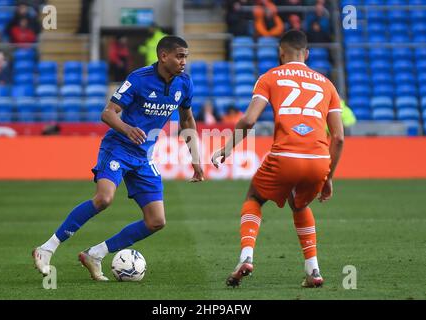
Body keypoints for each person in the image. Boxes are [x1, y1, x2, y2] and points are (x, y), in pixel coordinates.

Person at [33, 36, 204, 281]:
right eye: (179, 56)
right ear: (163, 56)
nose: (184, 61)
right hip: (119, 148)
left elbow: (187, 119)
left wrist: (195, 157)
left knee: (156, 221)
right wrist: (127, 129)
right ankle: (46, 248)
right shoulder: (139, 79)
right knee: (104, 199)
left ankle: (95, 254)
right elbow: (108, 113)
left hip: (144, 156)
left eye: (186, 56)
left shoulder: (184, 84)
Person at [212, 30, 344, 288]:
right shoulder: (327, 83)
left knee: (254, 197)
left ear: (281, 52)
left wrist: (227, 149)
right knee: (300, 205)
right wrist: (329, 177)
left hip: (285, 155)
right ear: (307, 53)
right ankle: (313, 270)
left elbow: (249, 119)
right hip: (318, 158)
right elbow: (338, 137)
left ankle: (246, 257)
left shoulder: (270, 77)